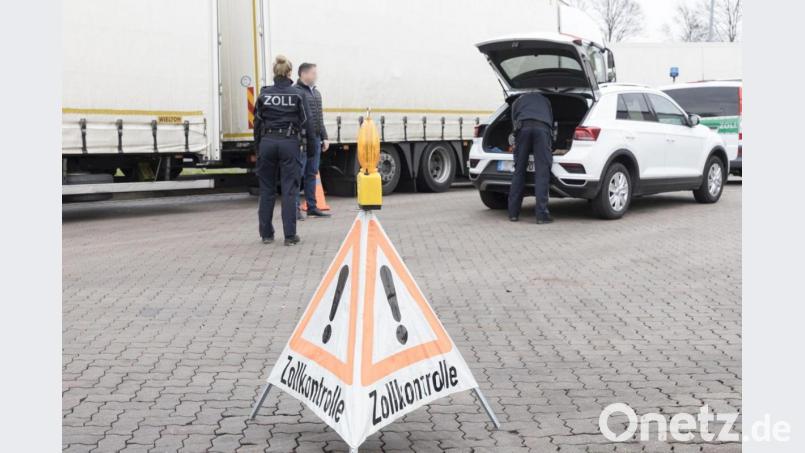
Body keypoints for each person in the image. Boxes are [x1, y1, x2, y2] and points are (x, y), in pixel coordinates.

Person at [253, 55, 315, 246]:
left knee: (267, 190)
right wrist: (311, 149)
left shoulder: (264, 95)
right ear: (289, 73)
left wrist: (258, 148)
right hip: (289, 143)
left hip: (267, 143)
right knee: (289, 190)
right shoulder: (298, 95)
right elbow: (308, 124)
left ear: (275, 72)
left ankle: (266, 234)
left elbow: (257, 124)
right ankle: (289, 236)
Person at [507, 92, 555, 224]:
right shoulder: (546, 100)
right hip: (542, 129)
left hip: (523, 128)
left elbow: (514, 121)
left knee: (519, 171)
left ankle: (513, 213)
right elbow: (550, 120)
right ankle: (541, 215)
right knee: (542, 173)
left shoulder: (518, 101)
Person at [295, 62, 331, 219]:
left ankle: (312, 206)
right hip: (302, 140)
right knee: (298, 174)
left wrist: (325, 137)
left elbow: (319, 118)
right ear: (304, 74)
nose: (316, 76)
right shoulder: (296, 92)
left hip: (315, 139)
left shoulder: (316, 93)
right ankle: (295, 208)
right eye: (313, 73)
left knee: (312, 173)